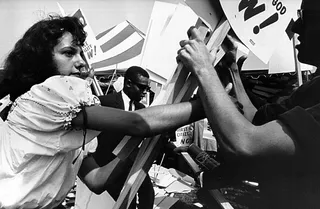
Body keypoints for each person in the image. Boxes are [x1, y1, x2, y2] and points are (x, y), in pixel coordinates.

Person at [0, 15, 207, 209]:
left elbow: (96, 180)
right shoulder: (46, 98)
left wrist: (133, 151)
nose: (81, 61)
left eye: (80, 53)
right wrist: (207, 99)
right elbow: (138, 123)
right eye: (69, 53)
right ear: (41, 60)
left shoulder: (71, 124)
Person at [176, 0, 320, 208]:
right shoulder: (314, 88)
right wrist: (233, 70)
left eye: (304, 17)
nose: (295, 27)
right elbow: (257, 119)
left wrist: (203, 68)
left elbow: (246, 144)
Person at [92, 66, 154, 209]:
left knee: (148, 192)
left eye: (147, 88)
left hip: (133, 162)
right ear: (128, 84)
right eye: (142, 87)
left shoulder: (141, 109)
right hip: (108, 164)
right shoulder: (104, 103)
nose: (145, 92)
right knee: (126, 202)